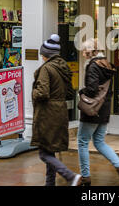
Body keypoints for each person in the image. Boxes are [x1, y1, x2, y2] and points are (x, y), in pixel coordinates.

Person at [78, 38, 119, 186]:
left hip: (93, 109)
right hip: (105, 108)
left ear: (92, 51)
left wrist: (81, 91)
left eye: (85, 51)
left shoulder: (93, 66)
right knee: (99, 142)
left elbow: (92, 89)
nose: (83, 53)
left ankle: (85, 177)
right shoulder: (106, 64)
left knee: (82, 142)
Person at [31, 34, 82, 186]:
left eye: (42, 53)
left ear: (47, 55)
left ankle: (71, 176)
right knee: (50, 150)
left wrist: (32, 93)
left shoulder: (46, 69)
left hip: (47, 114)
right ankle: (50, 183)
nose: (41, 56)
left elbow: (42, 92)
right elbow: (69, 92)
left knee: (43, 153)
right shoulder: (63, 67)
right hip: (60, 111)